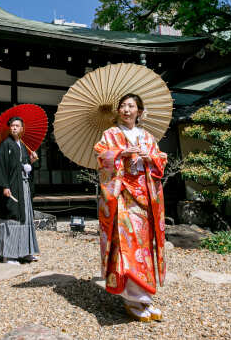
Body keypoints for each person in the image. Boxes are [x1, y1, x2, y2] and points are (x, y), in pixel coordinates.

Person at [93, 93, 168, 322]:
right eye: (123, 106)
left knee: (144, 245)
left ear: (139, 111)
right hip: (122, 197)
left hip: (144, 197)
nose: (126, 110)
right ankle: (131, 297)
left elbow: (161, 160)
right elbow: (100, 156)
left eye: (131, 106)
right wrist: (118, 153)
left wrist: (150, 158)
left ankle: (143, 295)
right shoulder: (111, 134)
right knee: (127, 244)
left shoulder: (147, 136)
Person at [0, 116, 40, 264]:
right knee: (12, 217)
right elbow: (1, 167)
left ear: (22, 129)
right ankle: (9, 255)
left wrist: (30, 162)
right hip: (12, 188)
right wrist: (5, 186)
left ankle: (25, 251)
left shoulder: (23, 146)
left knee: (26, 217)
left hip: (23, 187)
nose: (14, 128)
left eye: (17, 126)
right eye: (12, 126)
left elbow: (23, 166)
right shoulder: (6, 144)